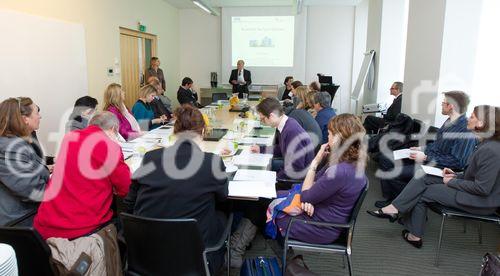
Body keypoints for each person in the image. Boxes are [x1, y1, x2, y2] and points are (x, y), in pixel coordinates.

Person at [367, 105, 500, 248]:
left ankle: (414, 234)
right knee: (423, 174)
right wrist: (456, 175)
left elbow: (482, 188)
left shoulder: (491, 150)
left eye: (473, 116)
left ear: (481, 123)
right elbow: (474, 175)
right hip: (468, 187)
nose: (469, 118)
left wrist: (451, 182)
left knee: (422, 192)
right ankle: (394, 209)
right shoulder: (486, 144)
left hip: (480, 201)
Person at [124, 105, 229, 274]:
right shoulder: (212, 162)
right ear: (203, 132)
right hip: (193, 255)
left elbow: (130, 200)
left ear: (174, 132)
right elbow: (223, 197)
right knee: (225, 215)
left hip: (147, 251)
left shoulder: (150, 157)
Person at [34, 111, 132, 240]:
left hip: (45, 225)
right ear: (113, 129)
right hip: (81, 231)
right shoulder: (109, 147)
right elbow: (126, 189)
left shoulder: (70, 138)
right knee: (128, 223)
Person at [374, 91, 478, 208]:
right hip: (428, 158)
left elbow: (458, 162)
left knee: (394, 173)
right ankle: (393, 199)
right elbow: (437, 145)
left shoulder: (465, 130)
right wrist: (421, 148)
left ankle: (402, 205)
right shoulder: (449, 122)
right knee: (385, 159)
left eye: (443, 103)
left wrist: (426, 157)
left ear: (451, 106)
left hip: (442, 168)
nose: (441, 105)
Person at [275, 114, 368, 244]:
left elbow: (306, 195)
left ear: (337, 138)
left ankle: (281, 259)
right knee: (273, 199)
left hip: (320, 227)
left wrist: (315, 162)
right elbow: (314, 184)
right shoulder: (347, 162)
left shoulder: (339, 171)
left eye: (329, 134)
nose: (327, 137)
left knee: (271, 211)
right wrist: (309, 199)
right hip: (322, 214)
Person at [0, 97, 49, 226]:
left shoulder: (17, 142)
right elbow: (33, 191)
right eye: (36, 113)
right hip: (21, 220)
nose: (40, 117)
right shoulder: (11, 148)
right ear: (25, 119)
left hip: (27, 213)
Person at [250, 98, 314, 180]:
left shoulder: (291, 131)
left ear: (271, 116)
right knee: (263, 166)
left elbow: (296, 167)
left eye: (263, 119)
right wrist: (261, 149)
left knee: (259, 176)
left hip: (299, 177)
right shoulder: (286, 124)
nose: (262, 122)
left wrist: (275, 178)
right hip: (289, 165)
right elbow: (282, 148)